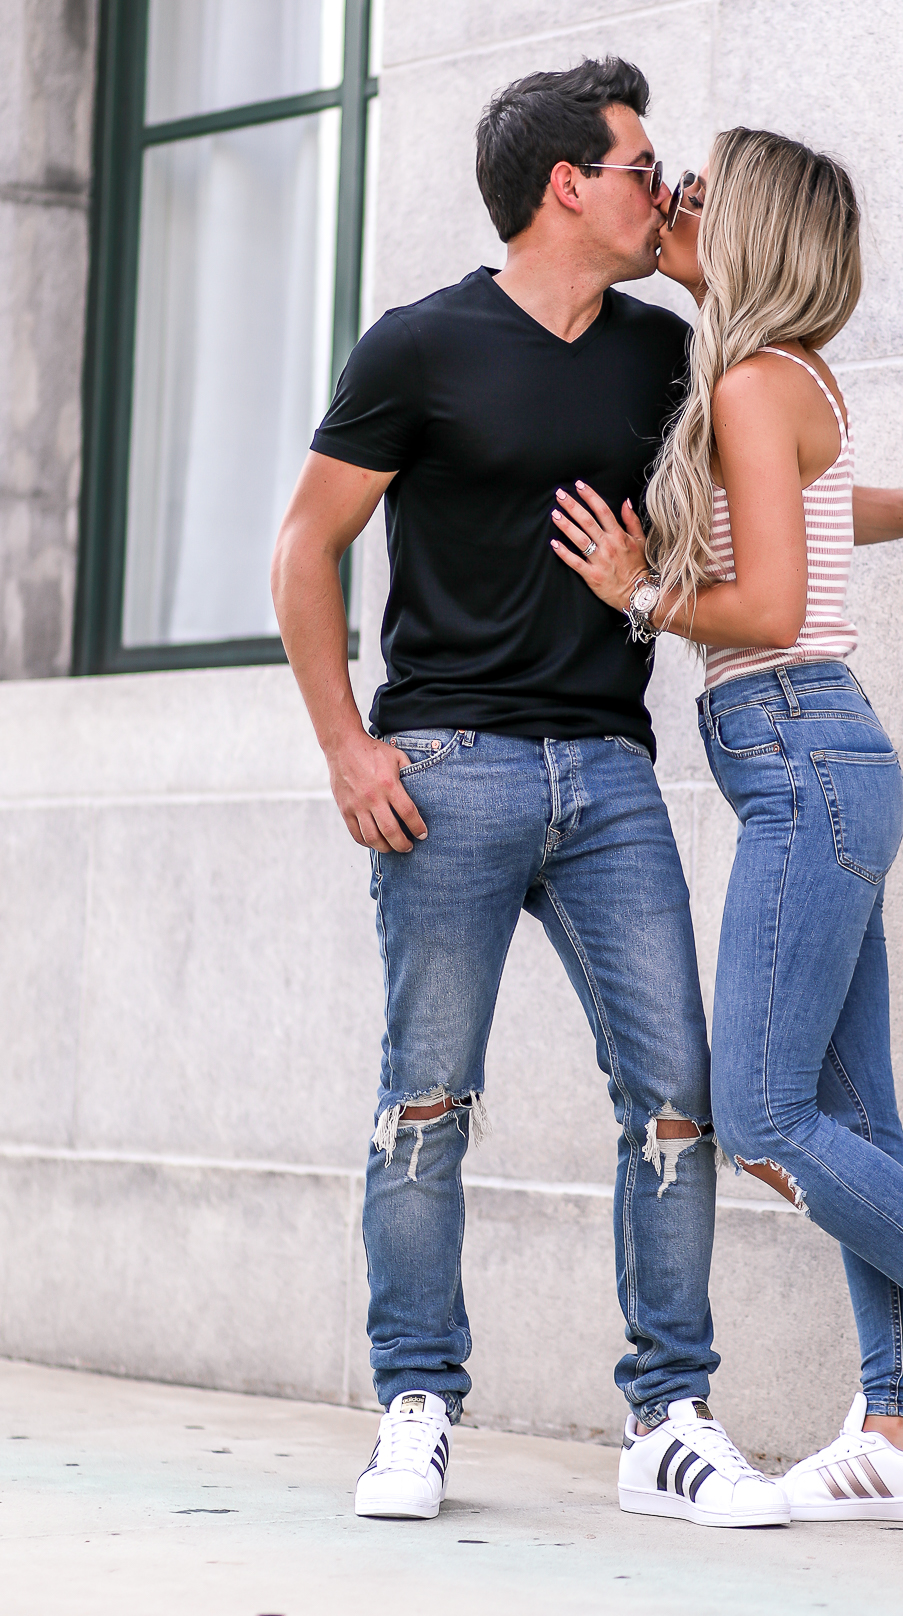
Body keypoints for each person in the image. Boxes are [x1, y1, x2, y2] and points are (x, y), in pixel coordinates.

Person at [271, 60, 787, 1529]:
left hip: (610, 772)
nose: (665, 188)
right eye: (643, 167)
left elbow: (783, 479)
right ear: (568, 182)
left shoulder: (659, 355)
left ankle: (670, 1415)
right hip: (447, 769)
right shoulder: (418, 345)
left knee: (677, 1096)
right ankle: (416, 1400)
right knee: (427, 1098)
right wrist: (341, 747)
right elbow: (304, 548)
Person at [549, 127, 903, 1530]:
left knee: (769, 1113)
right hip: (822, 758)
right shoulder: (780, 377)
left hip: (800, 750)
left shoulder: (742, 379)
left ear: (758, 232)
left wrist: (638, 591)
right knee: (858, 1114)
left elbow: (772, 605)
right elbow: (821, 524)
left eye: (701, 193)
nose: (671, 200)